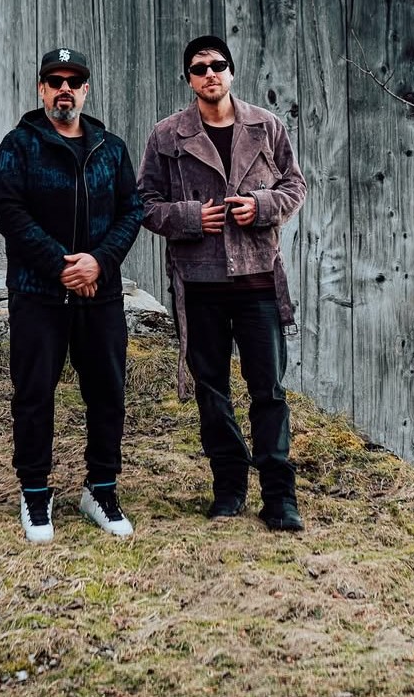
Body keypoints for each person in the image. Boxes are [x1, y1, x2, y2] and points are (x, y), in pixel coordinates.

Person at [137, 35, 308, 531]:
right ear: (189, 79)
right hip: (200, 284)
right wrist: (190, 217)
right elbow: (144, 202)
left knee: (268, 390)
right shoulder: (167, 135)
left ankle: (279, 497)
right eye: (199, 68)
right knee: (212, 392)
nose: (209, 74)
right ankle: (229, 488)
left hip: (258, 281)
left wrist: (262, 206)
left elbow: (295, 185)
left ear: (231, 72)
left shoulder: (266, 126)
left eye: (217, 65)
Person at [0, 47, 143, 543]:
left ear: (85, 90)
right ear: (41, 89)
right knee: (35, 394)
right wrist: (62, 266)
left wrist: (99, 261)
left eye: (73, 82)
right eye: (54, 81)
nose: (64, 90)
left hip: (101, 295)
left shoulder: (111, 149)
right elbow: (10, 212)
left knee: (108, 394)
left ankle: (101, 489)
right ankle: (35, 493)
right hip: (39, 295)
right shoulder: (19, 146)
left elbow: (132, 210)